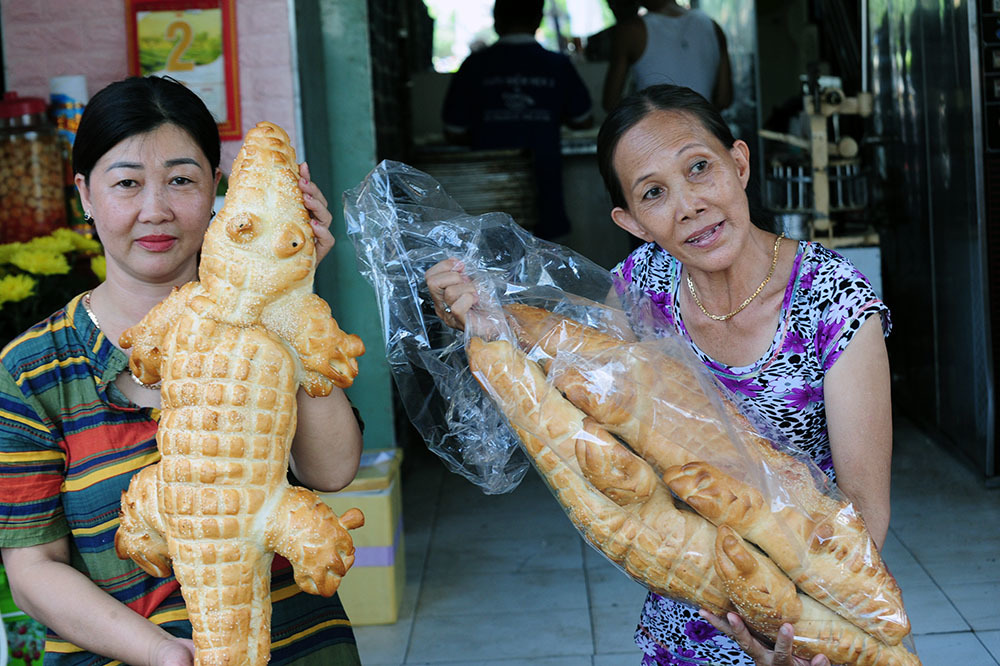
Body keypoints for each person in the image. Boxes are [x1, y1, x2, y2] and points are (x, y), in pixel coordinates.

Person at [425, 84, 893, 666]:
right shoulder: (642, 286)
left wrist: (783, 625)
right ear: (634, 221)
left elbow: (865, 513)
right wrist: (482, 317)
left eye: (699, 167)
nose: (689, 203)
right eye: (654, 193)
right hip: (689, 617)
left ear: (739, 163)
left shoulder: (833, 300)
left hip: (815, 628)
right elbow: (596, 395)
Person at [0, 76, 364, 666]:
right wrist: (164, 654)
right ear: (85, 195)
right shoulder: (31, 370)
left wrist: (291, 295)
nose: (156, 210)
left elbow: (331, 471)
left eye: (181, 180)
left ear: (215, 189)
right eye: (126, 183)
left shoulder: (272, 325)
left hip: (299, 647)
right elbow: (33, 569)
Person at [441, 0, 594, 241]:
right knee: (543, 267)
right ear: (537, 20)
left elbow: (453, 130)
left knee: (487, 267)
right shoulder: (557, 65)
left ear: (496, 20)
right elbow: (583, 119)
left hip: (489, 193)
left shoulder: (475, 65)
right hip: (543, 187)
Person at [602, 0, 733, 112]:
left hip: (656, 135)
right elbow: (724, 99)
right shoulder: (712, 26)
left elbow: (610, 102)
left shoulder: (631, 31)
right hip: (703, 132)